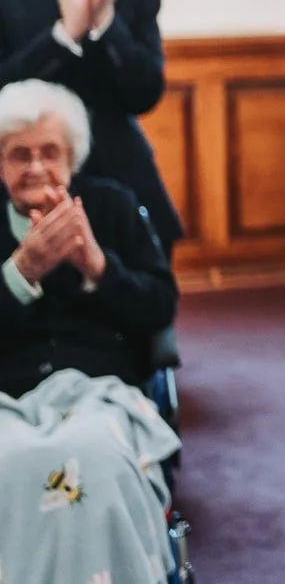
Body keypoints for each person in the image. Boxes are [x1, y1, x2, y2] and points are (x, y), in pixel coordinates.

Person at [0, 79, 181, 584]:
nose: (35, 166)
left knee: (97, 458)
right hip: (5, 395)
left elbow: (159, 310)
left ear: (72, 157)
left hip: (99, 390)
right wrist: (21, 272)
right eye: (19, 154)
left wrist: (99, 267)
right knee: (11, 462)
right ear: (0, 164)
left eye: (49, 151)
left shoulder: (112, 207)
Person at [0, 0, 182, 253]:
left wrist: (105, 24)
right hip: (18, 172)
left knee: (139, 292)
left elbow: (145, 93)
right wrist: (65, 35)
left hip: (116, 168)